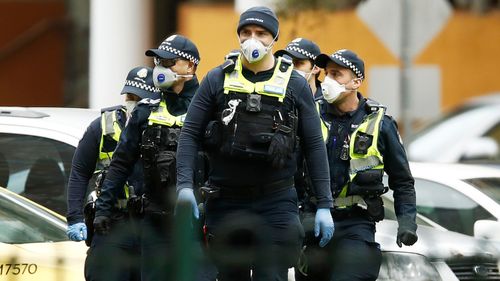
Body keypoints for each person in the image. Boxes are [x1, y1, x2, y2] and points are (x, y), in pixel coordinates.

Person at [175, 6, 334, 281]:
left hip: (275, 202)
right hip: (226, 201)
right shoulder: (218, 79)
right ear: (238, 36)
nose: (253, 39)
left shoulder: (294, 85)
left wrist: (324, 204)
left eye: (261, 33)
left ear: (274, 39)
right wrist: (184, 187)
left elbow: (314, 146)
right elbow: (189, 134)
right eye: (246, 32)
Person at [297, 49, 418, 281]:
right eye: (327, 74)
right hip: (313, 221)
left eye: (336, 75)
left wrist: (407, 223)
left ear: (356, 81)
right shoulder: (310, 114)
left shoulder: (379, 123)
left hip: (355, 224)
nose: (328, 81)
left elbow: (402, 180)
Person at [93, 34, 201, 281]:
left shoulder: (206, 106)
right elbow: (121, 163)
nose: (160, 68)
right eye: (158, 62)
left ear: (191, 66)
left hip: (197, 223)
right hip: (155, 222)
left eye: (169, 62)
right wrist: (103, 208)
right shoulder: (146, 109)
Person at [66, 66, 161, 281]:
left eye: (140, 98)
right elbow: (80, 172)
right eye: (130, 96)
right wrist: (74, 217)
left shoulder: (163, 127)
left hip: (151, 224)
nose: (133, 102)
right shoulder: (102, 126)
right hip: (111, 222)